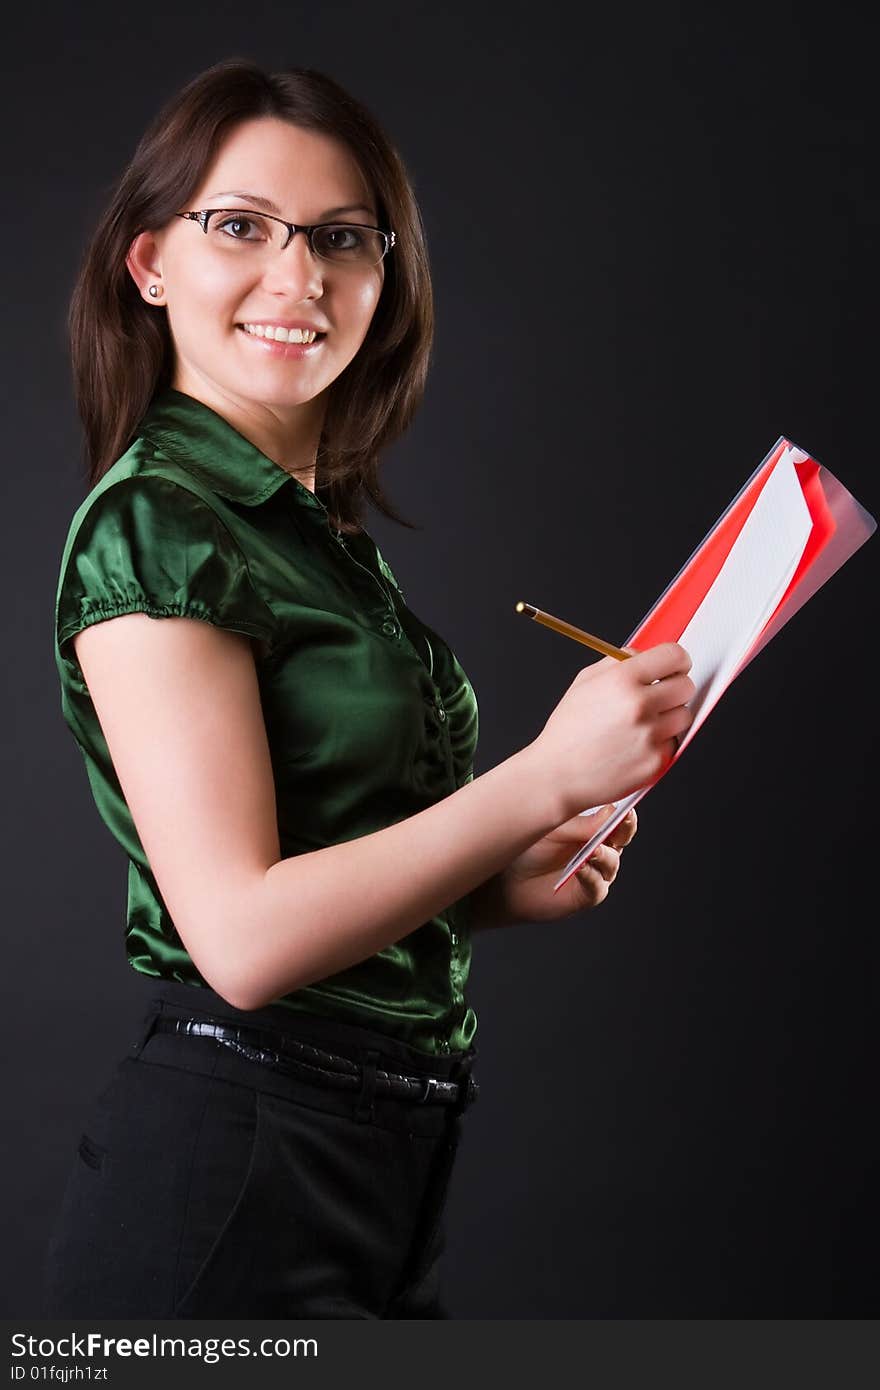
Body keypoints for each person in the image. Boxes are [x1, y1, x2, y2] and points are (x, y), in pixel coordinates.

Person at [43, 58, 695, 1320]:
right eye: (241, 226)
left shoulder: (313, 532)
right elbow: (238, 941)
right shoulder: (154, 525)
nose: (301, 278)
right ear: (149, 264)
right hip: (239, 1175)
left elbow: (323, 871)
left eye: (343, 238)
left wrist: (494, 888)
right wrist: (537, 782)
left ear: (384, 275)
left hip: (383, 1168)